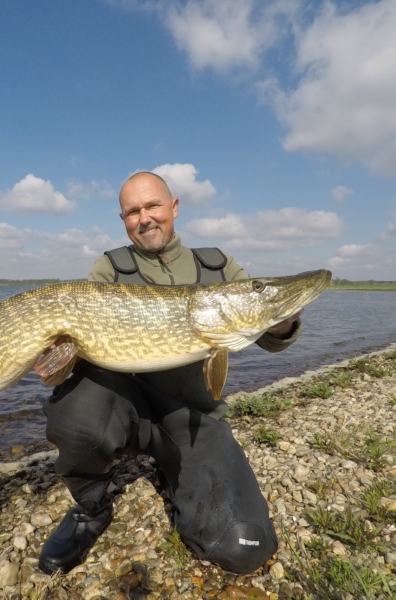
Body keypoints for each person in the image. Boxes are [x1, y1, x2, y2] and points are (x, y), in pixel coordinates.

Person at [38, 171, 302, 576]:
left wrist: (281, 319)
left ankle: (178, 474)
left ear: (174, 208)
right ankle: (91, 506)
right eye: (132, 211)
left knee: (243, 547)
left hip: (192, 419)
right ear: (124, 219)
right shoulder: (110, 268)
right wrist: (58, 359)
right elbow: (81, 354)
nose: (144, 218)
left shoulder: (217, 265)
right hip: (127, 411)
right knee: (75, 410)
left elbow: (268, 337)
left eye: (153, 206)